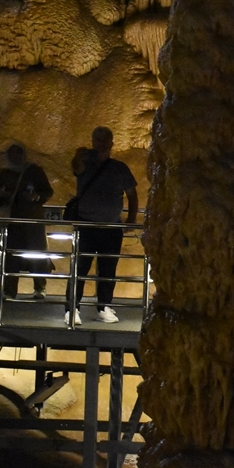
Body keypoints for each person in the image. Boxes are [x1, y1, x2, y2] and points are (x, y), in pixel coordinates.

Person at [68, 127, 138, 325]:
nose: (101, 143)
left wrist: (131, 220)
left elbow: (132, 195)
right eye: (97, 139)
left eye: (104, 140)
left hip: (111, 227)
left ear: (111, 143)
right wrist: (80, 155)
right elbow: (75, 167)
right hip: (87, 225)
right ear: (92, 141)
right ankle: (72, 307)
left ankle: (104, 306)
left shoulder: (119, 168)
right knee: (80, 267)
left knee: (108, 269)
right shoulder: (85, 164)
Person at [0, 144, 54, 300]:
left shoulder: (34, 171)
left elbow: (47, 191)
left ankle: (40, 287)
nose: (15, 156)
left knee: (36, 255)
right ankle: (9, 291)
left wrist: (36, 196)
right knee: (10, 256)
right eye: (12, 153)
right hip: (11, 222)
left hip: (32, 220)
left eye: (18, 153)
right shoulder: (2, 173)